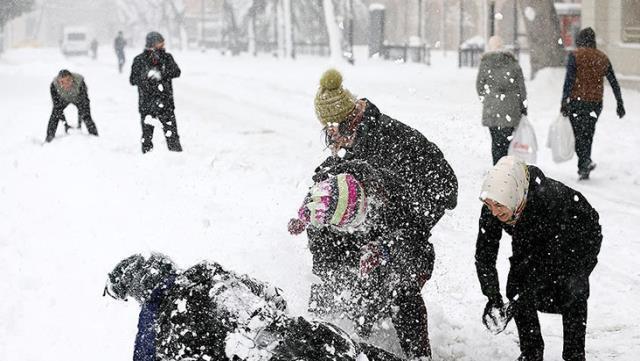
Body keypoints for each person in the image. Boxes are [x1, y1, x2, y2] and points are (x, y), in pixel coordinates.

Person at [292, 69, 458, 360]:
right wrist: (311, 211)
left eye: (332, 129)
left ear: (349, 121)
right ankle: (346, 338)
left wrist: (384, 245)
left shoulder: (389, 143)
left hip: (415, 216)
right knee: (343, 277)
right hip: (373, 217)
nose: (330, 138)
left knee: (398, 283)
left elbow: (443, 191)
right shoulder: (351, 148)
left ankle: (419, 355)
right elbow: (326, 193)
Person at [104, 253, 404, 361]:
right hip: (299, 335)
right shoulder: (206, 271)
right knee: (346, 348)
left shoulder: (159, 330)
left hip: (261, 350)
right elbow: (275, 297)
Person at [475, 156, 602, 361]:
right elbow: (484, 255)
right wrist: (493, 297)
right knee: (517, 288)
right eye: (489, 205)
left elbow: (537, 258)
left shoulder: (546, 200)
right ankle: (531, 353)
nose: (494, 212)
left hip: (578, 235)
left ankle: (574, 354)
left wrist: (575, 272)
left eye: (498, 206)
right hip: (537, 238)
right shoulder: (496, 202)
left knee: (572, 290)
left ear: (513, 196)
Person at [560, 27, 625, 180]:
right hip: (595, 104)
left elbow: (569, 81)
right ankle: (585, 164)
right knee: (588, 134)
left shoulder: (575, 56)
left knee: (578, 135)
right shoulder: (602, 57)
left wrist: (564, 101)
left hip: (577, 102)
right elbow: (613, 81)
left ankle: (584, 162)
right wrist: (619, 102)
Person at [476, 35, 528, 165]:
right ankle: (505, 168)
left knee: (496, 142)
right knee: (506, 142)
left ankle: (497, 167)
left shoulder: (485, 62)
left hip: (492, 108)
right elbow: (521, 87)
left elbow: (479, 85)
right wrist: (523, 106)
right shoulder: (512, 62)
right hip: (511, 108)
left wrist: (487, 99)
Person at [130, 31, 182, 153]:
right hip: (147, 104)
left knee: (172, 134)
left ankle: (177, 158)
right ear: (152, 43)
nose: (163, 44)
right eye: (160, 42)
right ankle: (147, 159)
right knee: (147, 136)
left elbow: (177, 72)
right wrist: (146, 77)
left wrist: (161, 74)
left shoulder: (167, 57)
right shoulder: (139, 60)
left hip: (166, 102)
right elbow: (133, 80)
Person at [45, 69, 99, 142]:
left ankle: (95, 137)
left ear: (72, 79)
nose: (66, 84)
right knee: (54, 115)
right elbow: (57, 107)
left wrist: (79, 124)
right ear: (58, 81)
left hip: (78, 98)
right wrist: (65, 124)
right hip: (63, 99)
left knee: (86, 116)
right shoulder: (54, 86)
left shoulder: (80, 82)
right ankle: (49, 138)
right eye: (62, 82)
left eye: (68, 80)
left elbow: (84, 103)